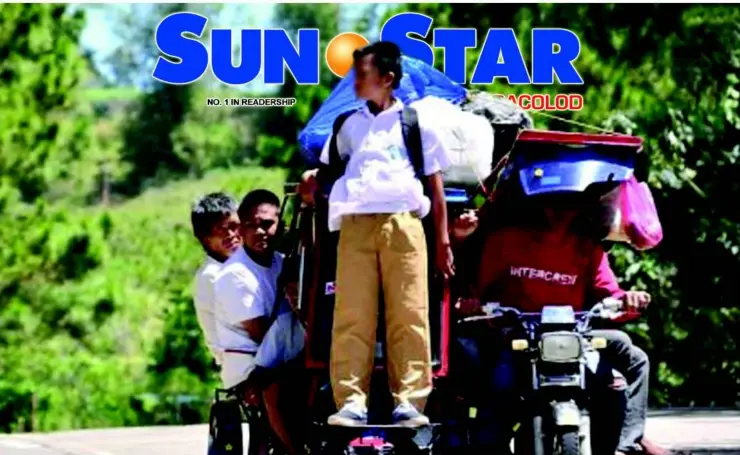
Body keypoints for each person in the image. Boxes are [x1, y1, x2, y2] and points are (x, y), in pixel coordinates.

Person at [299, 41, 455, 428]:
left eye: (363, 75)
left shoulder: (417, 124)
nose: (355, 82)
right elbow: (330, 174)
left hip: (404, 225)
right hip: (354, 227)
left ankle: (411, 403)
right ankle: (350, 401)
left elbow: (435, 189)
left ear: (387, 79)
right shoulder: (347, 125)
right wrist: (311, 184)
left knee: (410, 314)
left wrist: (442, 243)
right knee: (352, 316)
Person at [454, 191, 672, 455]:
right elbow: (479, 294)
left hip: (574, 341)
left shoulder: (588, 247)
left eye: (569, 204)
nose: (560, 212)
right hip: (519, 343)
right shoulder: (504, 241)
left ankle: (624, 448)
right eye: (553, 202)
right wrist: (472, 304)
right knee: (495, 404)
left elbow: (612, 296)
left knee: (622, 374)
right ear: (536, 203)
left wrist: (629, 300)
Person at [213, 189, 303, 455]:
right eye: (251, 225)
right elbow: (261, 334)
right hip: (250, 362)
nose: (259, 232)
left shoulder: (282, 262)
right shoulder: (233, 274)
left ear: (281, 225)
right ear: (240, 228)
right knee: (276, 385)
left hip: (280, 350)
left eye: (267, 224)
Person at [191, 192, 242, 367]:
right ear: (205, 238)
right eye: (220, 229)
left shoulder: (238, 267)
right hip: (242, 369)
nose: (231, 235)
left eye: (234, 226)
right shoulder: (213, 275)